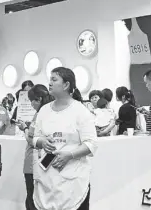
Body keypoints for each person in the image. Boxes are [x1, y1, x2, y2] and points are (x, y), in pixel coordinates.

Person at [32, 67, 97, 210]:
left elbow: (91, 144)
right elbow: (35, 138)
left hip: (73, 183)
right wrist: (41, 142)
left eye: (54, 80)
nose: (49, 83)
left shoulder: (80, 111)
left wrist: (69, 155)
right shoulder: (44, 110)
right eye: (50, 79)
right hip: (46, 180)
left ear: (66, 85)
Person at [16, 85, 54, 210]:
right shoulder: (53, 112)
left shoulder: (39, 115)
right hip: (47, 162)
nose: (31, 103)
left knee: (32, 199)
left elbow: (31, 139)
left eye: (31, 100)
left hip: (34, 163)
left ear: (38, 99)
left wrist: (25, 128)